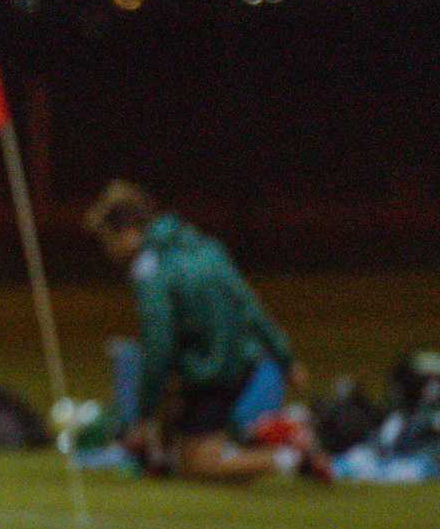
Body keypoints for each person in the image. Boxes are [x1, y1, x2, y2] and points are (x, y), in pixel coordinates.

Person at [84, 181, 327, 483]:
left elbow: (158, 348)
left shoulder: (152, 270)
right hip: (241, 362)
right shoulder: (203, 246)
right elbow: (249, 306)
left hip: (211, 372)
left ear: (129, 232)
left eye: (108, 240)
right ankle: (170, 452)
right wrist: (286, 360)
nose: (109, 251)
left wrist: (143, 415)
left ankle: (290, 454)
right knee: (181, 433)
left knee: (197, 466)